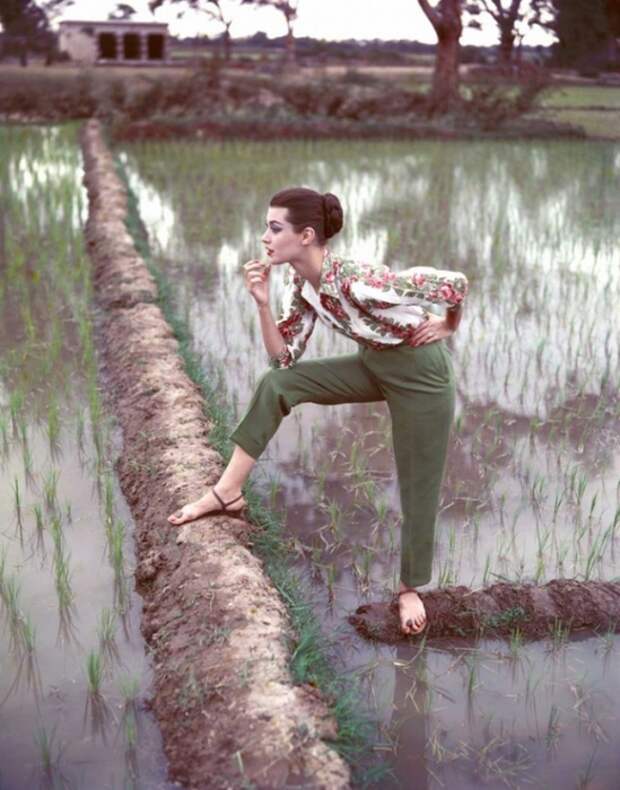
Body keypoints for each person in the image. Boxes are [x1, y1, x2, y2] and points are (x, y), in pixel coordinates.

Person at [168, 187, 468, 636]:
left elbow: (453, 283)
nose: (265, 238)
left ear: (306, 235)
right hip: (373, 363)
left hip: (421, 377)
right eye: (266, 228)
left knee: (418, 483)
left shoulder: (356, 280)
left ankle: (409, 588)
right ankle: (226, 492)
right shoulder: (302, 286)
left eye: (274, 228)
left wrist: (448, 323)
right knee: (279, 385)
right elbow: (283, 359)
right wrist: (263, 304)